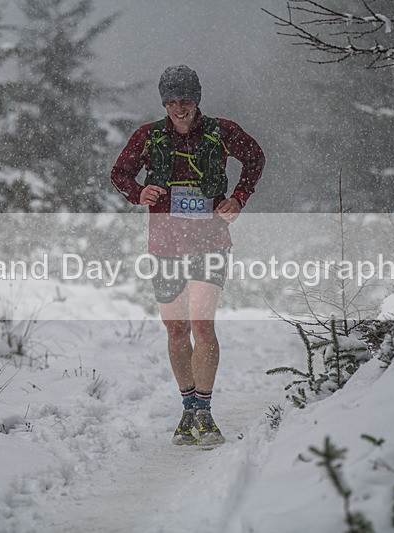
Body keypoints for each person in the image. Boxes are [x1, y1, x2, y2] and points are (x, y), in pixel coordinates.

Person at [111, 65, 265, 446]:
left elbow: (256, 158)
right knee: (176, 329)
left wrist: (239, 197)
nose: (180, 109)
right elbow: (119, 173)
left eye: (187, 101)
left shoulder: (222, 132)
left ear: (198, 100)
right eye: (172, 101)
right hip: (164, 244)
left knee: (201, 325)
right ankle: (187, 411)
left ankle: (206, 414)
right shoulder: (148, 136)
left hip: (210, 239)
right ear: (164, 103)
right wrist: (138, 193)